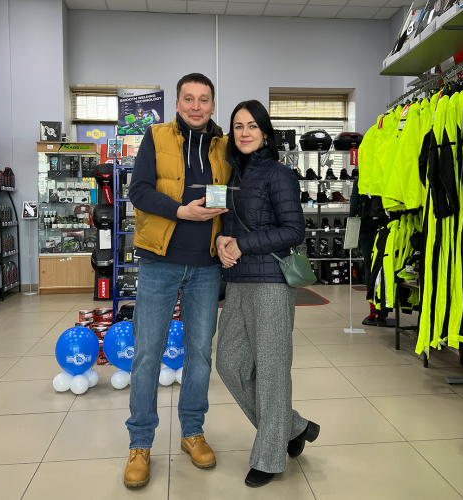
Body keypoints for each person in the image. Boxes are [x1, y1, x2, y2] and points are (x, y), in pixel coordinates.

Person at [124, 73, 232, 488]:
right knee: (147, 353)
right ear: (177, 103)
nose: (196, 106)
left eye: (203, 99)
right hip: (160, 261)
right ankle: (140, 443)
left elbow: (229, 196)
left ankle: (192, 432)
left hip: (206, 265)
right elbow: (139, 191)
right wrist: (180, 211)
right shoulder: (155, 137)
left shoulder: (223, 144)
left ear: (213, 105)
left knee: (199, 353)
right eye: (189, 99)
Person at [215, 100, 320, 488]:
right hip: (238, 281)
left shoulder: (279, 174)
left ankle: (270, 457)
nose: (244, 132)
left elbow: (294, 231)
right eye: (238, 126)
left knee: (272, 370)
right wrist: (222, 243)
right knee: (229, 363)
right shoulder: (228, 176)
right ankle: (292, 427)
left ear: (264, 132)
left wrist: (242, 244)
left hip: (273, 284)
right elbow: (225, 225)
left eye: (252, 126)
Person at [349, 178, 390, 326]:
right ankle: (382, 309)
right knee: (385, 263)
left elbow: (354, 204)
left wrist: (351, 224)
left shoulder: (361, 179)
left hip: (365, 224)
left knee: (368, 265)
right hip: (385, 223)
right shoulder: (383, 174)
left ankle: (373, 308)